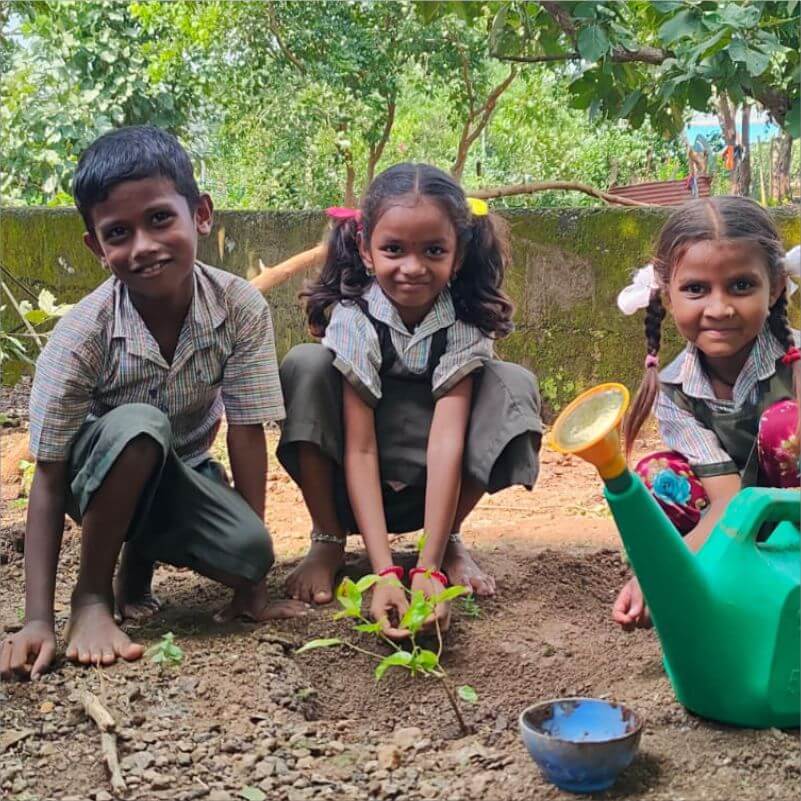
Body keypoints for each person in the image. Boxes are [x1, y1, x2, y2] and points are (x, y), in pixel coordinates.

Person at [0, 125, 305, 681]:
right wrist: (36, 619)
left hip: (183, 473)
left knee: (249, 551)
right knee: (142, 427)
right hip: (90, 476)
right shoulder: (82, 335)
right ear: (97, 248)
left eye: (160, 219)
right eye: (119, 232)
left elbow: (244, 429)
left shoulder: (238, 307)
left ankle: (135, 571)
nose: (143, 245)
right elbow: (48, 475)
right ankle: (92, 596)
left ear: (202, 215)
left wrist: (252, 584)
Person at [277, 163, 542, 639]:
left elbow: (447, 444)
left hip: (431, 488)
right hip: (353, 487)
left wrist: (428, 569)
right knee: (306, 364)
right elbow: (358, 448)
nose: (412, 267)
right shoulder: (354, 320)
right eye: (393, 249)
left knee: (513, 383)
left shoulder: (465, 325)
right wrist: (382, 573)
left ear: (458, 255)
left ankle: (446, 539)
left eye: (434, 250)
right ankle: (329, 539)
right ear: (365, 249)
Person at [614, 197, 800, 630]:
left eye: (740, 286)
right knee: (656, 477)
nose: (719, 308)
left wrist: (662, 577)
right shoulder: (675, 389)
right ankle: (723, 579)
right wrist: (658, 577)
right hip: (736, 523)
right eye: (696, 289)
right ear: (666, 293)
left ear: (774, 288)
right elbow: (727, 500)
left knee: (786, 426)